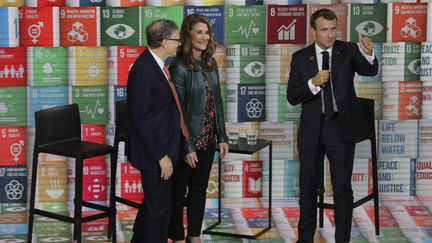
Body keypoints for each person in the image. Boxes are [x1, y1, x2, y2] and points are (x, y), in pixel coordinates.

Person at [286, 8, 378, 243]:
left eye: (333, 28)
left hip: (341, 128)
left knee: (341, 189)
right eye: (324, 29)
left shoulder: (347, 50)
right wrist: (313, 83)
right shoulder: (300, 57)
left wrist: (368, 54)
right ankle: (304, 239)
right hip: (311, 130)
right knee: (307, 188)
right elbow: (292, 96)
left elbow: (370, 70)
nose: (329, 34)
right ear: (313, 30)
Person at [168, 14, 229, 243]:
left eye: (207, 32)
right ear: (188, 35)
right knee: (178, 193)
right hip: (187, 141)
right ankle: (177, 237)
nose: (204, 37)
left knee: (199, 189)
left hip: (208, 138)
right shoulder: (179, 66)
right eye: (199, 32)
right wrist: (187, 146)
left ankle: (194, 236)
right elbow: (178, 111)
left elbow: (217, 102)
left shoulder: (210, 63)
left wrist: (222, 135)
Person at [126, 19, 185, 243]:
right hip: (155, 154)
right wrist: (161, 156)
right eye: (177, 39)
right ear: (164, 41)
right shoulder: (143, 69)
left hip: (165, 148)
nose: (180, 43)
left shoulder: (158, 65)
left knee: (155, 206)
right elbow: (140, 118)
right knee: (158, 213)